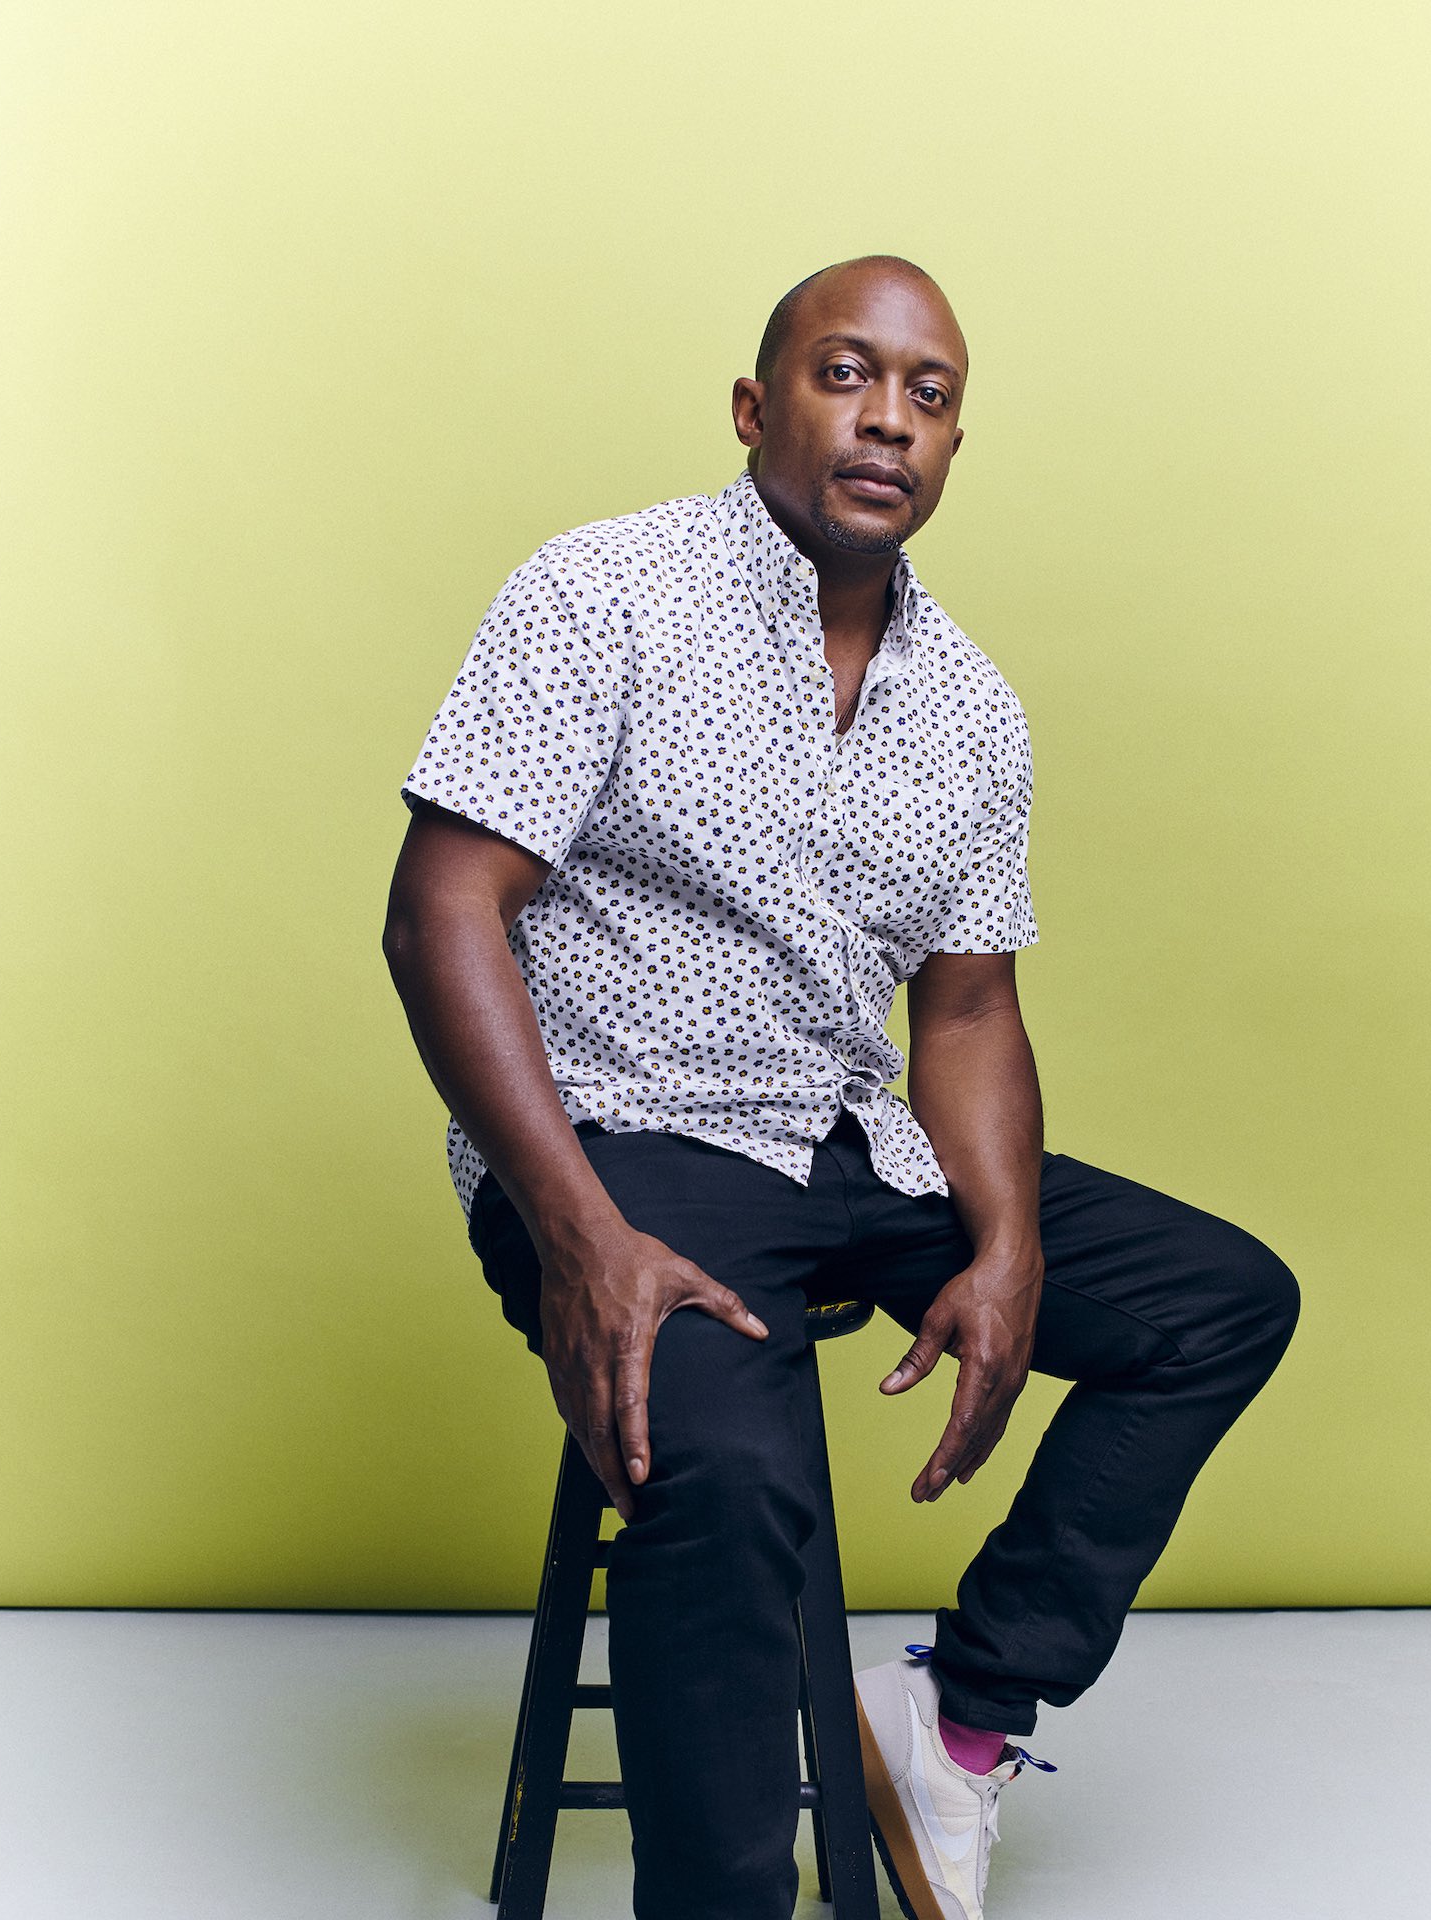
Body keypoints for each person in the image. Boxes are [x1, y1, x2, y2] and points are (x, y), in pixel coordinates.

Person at [382, 254, 1300, 1920]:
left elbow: (963, 1011)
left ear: (952, 447)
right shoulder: (605, 591)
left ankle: (954, 1725)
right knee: (731, 1482)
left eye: (929, 394)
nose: (890, 417)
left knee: (1220, 1302)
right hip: (625, 1142)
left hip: (842, 1146)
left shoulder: (971, 707)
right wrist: (580, 1238)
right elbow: (441, 909)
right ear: (757, 408)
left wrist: (1008, 1244)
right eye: (846, 373)